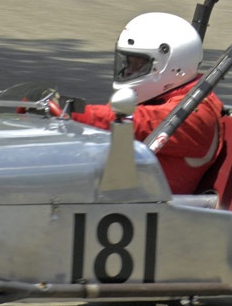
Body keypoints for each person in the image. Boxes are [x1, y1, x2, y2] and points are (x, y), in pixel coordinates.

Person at [70, 12, 224, 194]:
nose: (127, 71)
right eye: (127, 62)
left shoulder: (196, 113)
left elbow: (139, 123)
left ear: (173, 66)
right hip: (115, 200)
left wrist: (68, 111)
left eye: (137, 65)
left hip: (154, 213)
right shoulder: (150, 99)